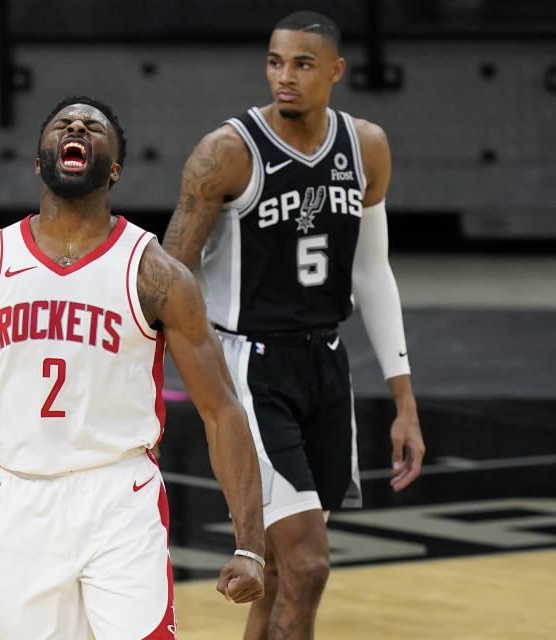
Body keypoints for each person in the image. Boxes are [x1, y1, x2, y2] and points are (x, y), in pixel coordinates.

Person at [0, 96, 265, 639]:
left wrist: (250, 544)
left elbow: (221, 410)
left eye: (92, 126)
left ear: (115, 168)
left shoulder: (156, 273)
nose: (77, 126)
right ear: (39, 162)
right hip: (22, 497)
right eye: (62, 123)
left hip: (119, 497)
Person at [162, 11, 426, 639]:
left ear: (335, 70)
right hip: (250, 367)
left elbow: (372, 273)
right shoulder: (226, 152)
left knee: (280, 571)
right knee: (308, 565)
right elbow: (169, 274)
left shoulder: (366, 146)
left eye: (303, 64)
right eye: (276, 62)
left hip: (326, 364)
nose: (285, 76)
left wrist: (404, 399)